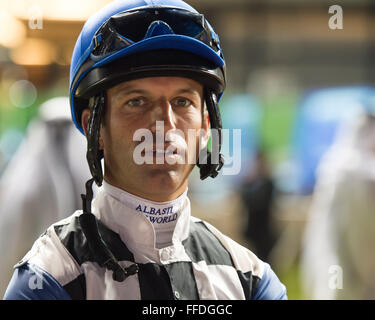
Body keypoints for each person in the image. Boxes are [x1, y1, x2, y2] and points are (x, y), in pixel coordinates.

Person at [4, 0, 287, 300]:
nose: (164, 124)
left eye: (183, 102)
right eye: (136, 101)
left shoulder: (251, 280)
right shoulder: (47, 280)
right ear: (93, 128)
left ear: (206, 127)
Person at [0, 97, 90, 297]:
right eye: (53, 128)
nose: (59, 136)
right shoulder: (21, 186)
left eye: (65, 127)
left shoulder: (92, 185)